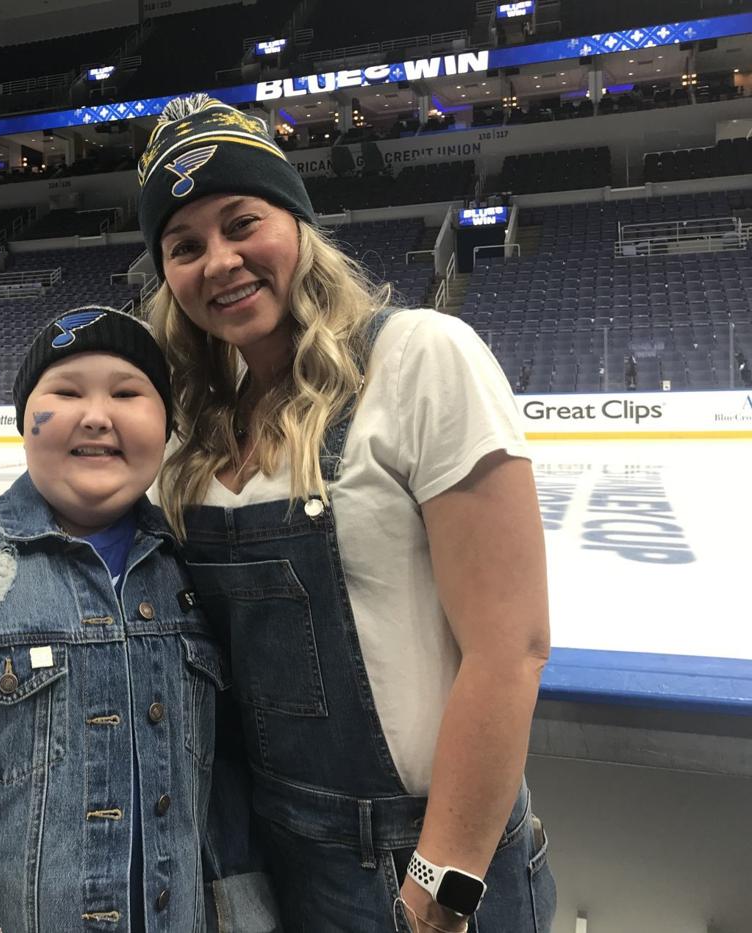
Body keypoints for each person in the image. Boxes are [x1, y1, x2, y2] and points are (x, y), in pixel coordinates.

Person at [137, 94, 555, 933]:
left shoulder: (421, 356)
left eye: (241, 221)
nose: (217, 261)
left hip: (420, 861)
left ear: (296, 222)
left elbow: (512, 647)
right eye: (184, 246)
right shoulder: (190, 427)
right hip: (266, 858)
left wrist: (438, 888)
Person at [0, 307, 273, 932]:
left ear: (167, 423)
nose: (96, 414)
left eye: (127, 393)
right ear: (24, 422)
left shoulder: (194, 573)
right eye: (65, 392)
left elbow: (226, 791)